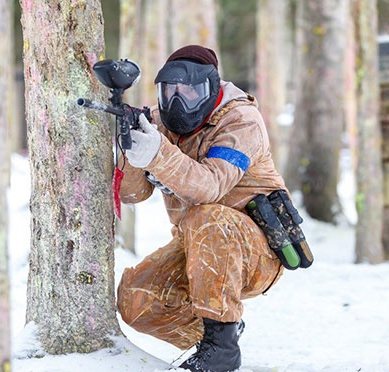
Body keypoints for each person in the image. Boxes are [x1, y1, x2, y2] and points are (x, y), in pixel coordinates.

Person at [116, 45, 288, 372]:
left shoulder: (240, 121)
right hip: (197, 249)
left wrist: (157, 154)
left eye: (190, 91)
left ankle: (221, 349)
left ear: (211, 88)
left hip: (257, 253)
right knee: (136, 301)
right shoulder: (158, 121)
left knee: (207, 216)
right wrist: (130, 148)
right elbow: (133, 195)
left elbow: (209, 188)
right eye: (171, 91)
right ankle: (220, 330)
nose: (178, 101)